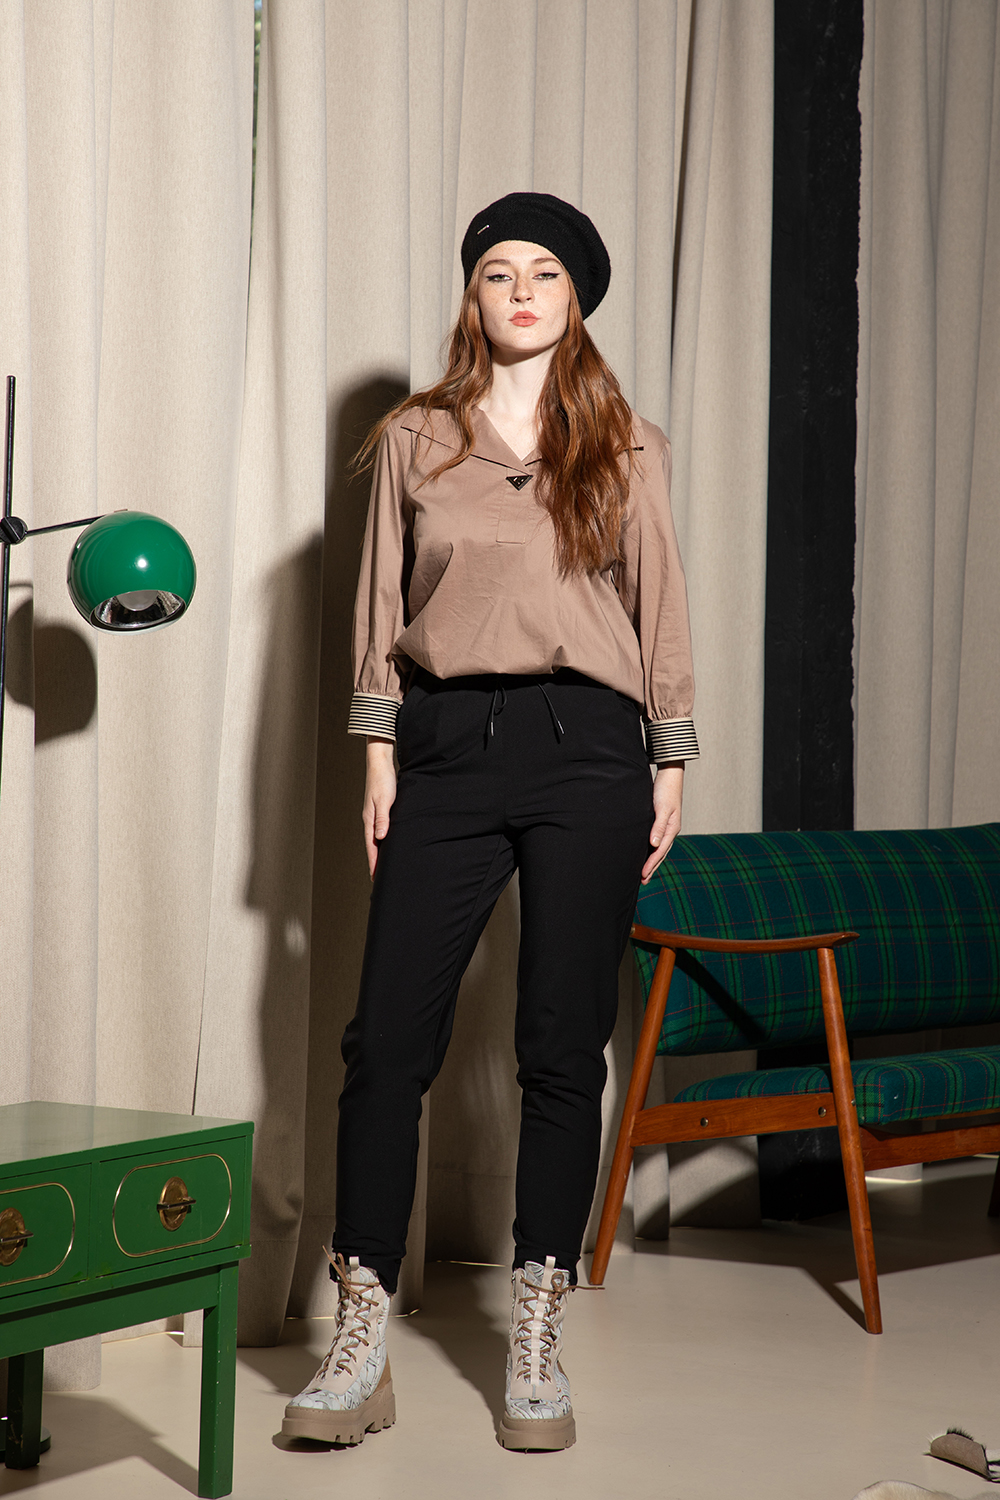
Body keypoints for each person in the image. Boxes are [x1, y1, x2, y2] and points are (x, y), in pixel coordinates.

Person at [282, 192, 699, 1453]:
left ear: (576, 299)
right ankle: (359, 1333)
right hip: (446, 745)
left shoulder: (627, 442)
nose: (520, 291)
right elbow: (375, 604)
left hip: (592, 753)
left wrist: (670, 758)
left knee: (562, 1046)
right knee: (385, 1044)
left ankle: (535, 1331)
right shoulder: (415, 436)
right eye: (497, 272)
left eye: (544, 273)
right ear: (472, 296)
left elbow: (660, 601)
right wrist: (377, 755)